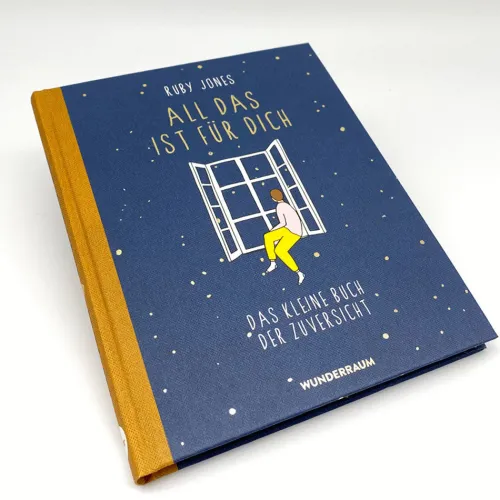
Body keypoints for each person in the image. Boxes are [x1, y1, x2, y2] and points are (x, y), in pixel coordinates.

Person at [264, 188, 305, 284]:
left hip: (293, 232)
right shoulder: (286, 205)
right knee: (268, 237)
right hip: (290, 229)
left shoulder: (280, 207)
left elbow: (283, 223)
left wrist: (272, 230)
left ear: (273, 199)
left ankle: (298, 272)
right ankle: (273, 263)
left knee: (279, 250)